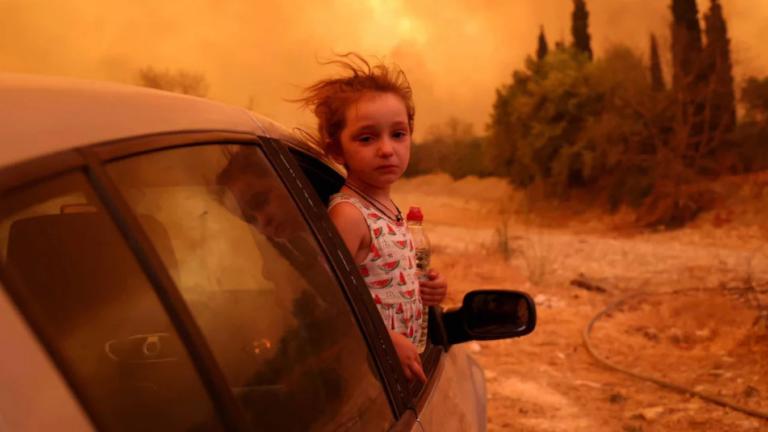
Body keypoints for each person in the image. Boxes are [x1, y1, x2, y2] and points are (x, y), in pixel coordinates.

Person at [296, 53, 448, 383]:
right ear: (337, 151)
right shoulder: (350, 214)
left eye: (398, 134)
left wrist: (426, 290)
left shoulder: (388, 209)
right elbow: (328, 296)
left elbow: (385, 279)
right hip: (369, 369)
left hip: (394, 368)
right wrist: (384, 339)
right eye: (367, 138)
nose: (386, 149)